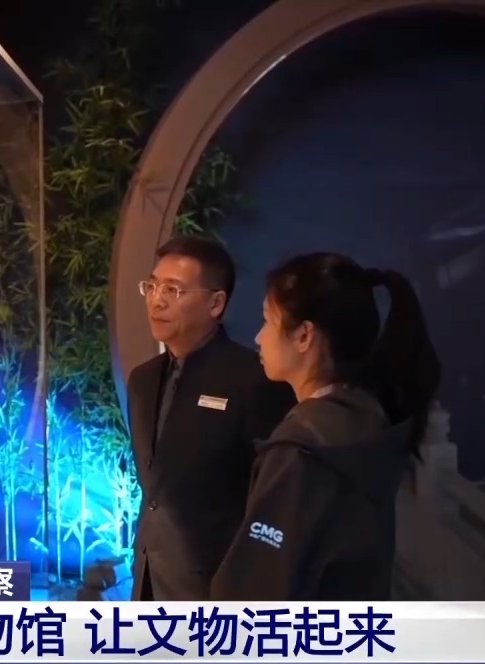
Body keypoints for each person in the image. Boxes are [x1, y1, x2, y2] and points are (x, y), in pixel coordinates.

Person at [209, 252, 441, 600]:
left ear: (304, 335)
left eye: (267, 321)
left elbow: (254, 590)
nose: (258, 337)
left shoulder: (299, 450)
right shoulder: (371, 422)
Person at [127, 235, 295, 601]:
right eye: (152, 286)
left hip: (219, 590)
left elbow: (273, 500)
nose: (157, 300)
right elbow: (155, 492)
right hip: (148, 582)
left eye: (173, 290)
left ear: (216, 303)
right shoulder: (142, 380)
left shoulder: (254, 379)